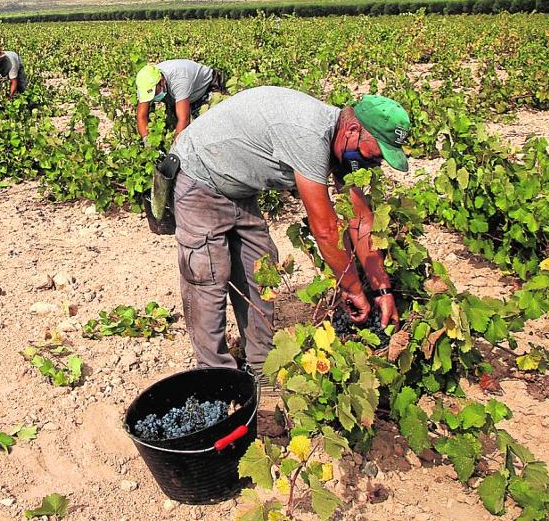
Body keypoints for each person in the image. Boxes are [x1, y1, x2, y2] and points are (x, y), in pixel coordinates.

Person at [168, 87, 411, 380]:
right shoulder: (308, 135)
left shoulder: (344, 145)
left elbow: (360, 218)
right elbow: (325, 229)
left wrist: (382, 288)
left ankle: (262, 370)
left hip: (238, 187)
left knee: (261, 272)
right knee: (207, 278)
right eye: (373, 154)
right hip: (199, 177)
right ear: (353, 128)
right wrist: (353, 289)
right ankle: (215, 379)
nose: (373, 163)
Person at [135, 60, 225, 140]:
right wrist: (147, 141)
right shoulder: (144, 84)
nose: (154, 97)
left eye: (155, 93)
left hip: (208, 86)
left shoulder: (179, 79)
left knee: (206, 127)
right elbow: (141, 116)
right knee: (173, 125)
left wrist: (174, 151)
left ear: (161, 81)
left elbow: (184, 119)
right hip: (176, 95)